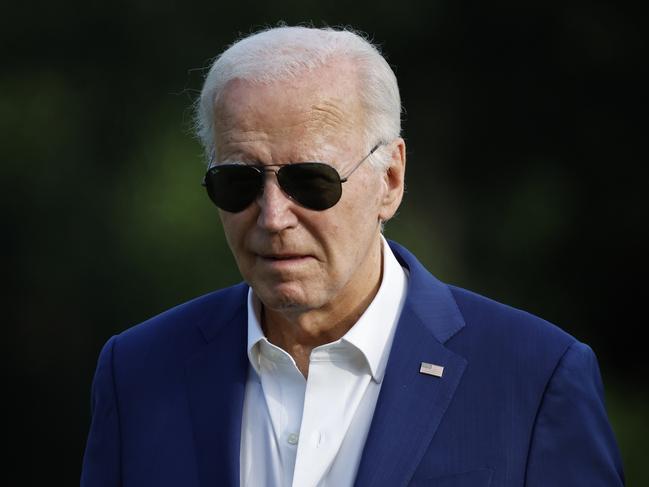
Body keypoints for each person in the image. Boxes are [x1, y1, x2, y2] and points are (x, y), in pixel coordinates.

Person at [80, 26, 624, 487]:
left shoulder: (534, 380)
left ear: (390, 179)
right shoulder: (138, 373)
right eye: (238, 182)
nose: (272, 216)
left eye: (310, 181)